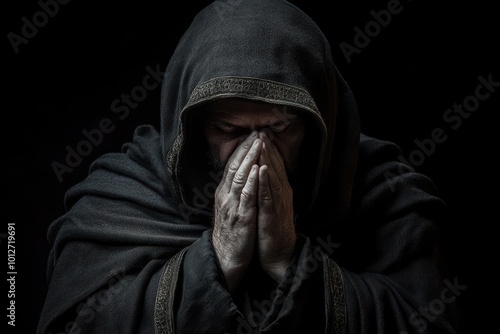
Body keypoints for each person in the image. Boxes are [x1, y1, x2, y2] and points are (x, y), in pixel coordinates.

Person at [37, 0, 464, 333]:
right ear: (192, 126)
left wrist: (289, 261)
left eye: (280, 127)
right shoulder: (122, 193)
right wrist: (217, 259)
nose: (258, 150)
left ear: (319, 125)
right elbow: (76, 324)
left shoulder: (385, 192)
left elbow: (428, 321)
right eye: (229, 129)